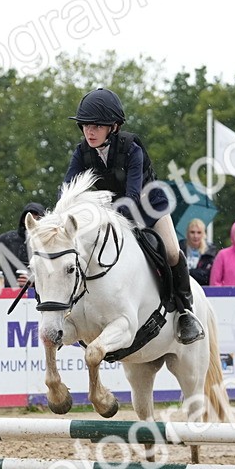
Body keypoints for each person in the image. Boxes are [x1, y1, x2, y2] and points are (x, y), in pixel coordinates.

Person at [59, 87, 203, 344]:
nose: (89, 132)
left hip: (149, 209)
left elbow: (132, 197)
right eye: (85, 126)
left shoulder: (132, 148)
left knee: (170, 251)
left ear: (113, 127)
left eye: (96, 126)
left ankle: (185, 312)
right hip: (111, 212)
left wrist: (103, 214)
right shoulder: (82, 151)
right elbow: (68, 188)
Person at [0, 201, 47, 287]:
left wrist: (34, 283)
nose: (33, 221)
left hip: (41, 295)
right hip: (10, 294)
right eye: (29, 218)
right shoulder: (9, 239)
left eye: (37, 218)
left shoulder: (50, 242)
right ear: (23, 220)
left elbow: (57, 273)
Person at [179, 218, 219, 287]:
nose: (195, 236)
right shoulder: (179, 249)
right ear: (187, 233)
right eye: (192, 232)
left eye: (199, 232)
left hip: (202, 289)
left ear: (203, 234)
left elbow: (207, 276)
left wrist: (188, 272)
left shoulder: (210, 252)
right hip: (182, 288)